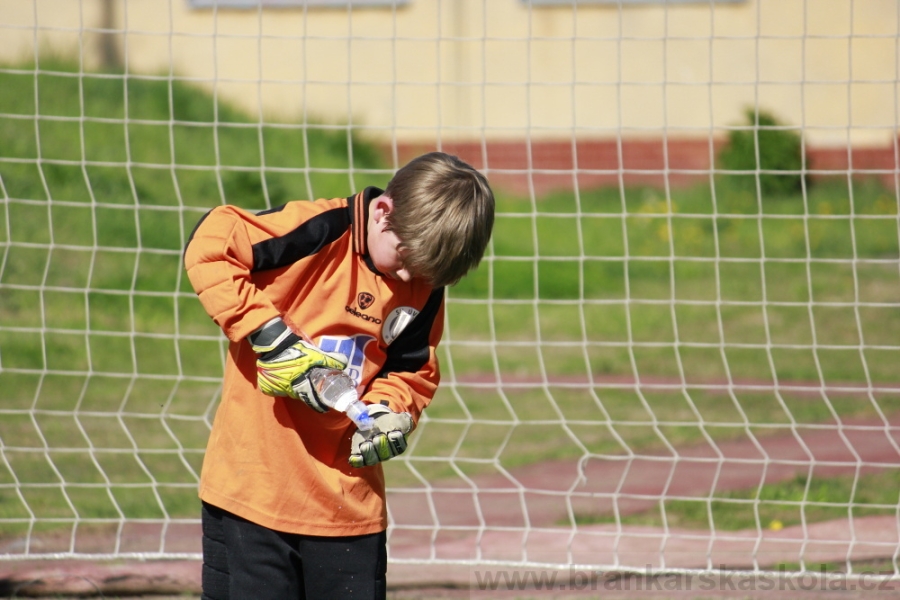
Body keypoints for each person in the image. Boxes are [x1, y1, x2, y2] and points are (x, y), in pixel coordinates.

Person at [183, 151, 495, 599]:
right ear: (383, 213)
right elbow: (210, 243)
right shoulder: (318, 229)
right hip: (251, 498)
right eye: (407, 261)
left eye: (428, 273)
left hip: (348, 513)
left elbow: (411, 371)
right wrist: (269, 334)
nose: (412, 278)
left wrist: (392, 411)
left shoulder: (423, 284)